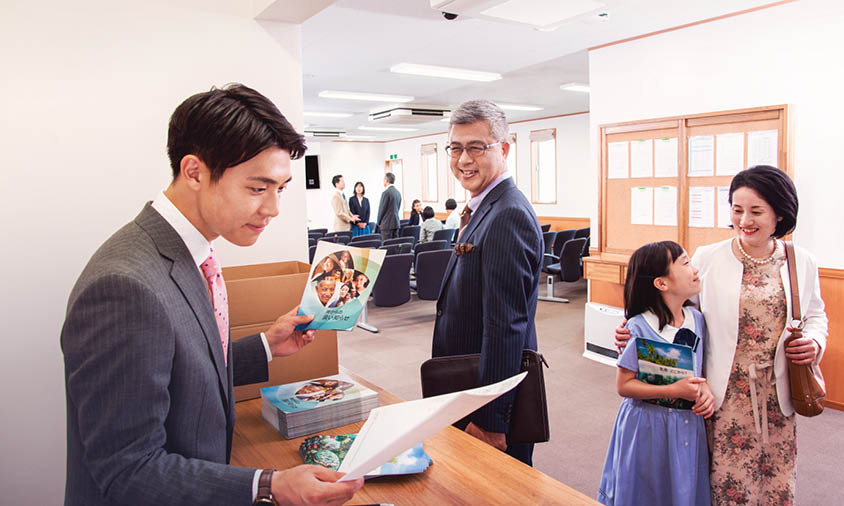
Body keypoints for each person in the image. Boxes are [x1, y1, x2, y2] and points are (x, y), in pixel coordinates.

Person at [60, 84, 363, 506]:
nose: (273, 209)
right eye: (258, 189)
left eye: (281, 189)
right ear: (195, 171)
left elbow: (180, 371)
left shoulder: (188, 251)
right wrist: (268, 485)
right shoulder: (125, 287)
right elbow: (127, 469)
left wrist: (265, 347)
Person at [615, 166, 827, 504]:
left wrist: (814, 341)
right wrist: (635, 332)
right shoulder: (710, 257)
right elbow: (676, 315)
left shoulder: (800, 260)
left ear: (780, 213)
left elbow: (816, 314)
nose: (744, 220)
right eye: (737, 209)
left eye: (756, 211)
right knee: (727, 483)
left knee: (775, 479)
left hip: (778, 391)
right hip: (725, 392)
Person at [431, 99, 543, 466]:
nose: (464, 159)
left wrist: (490, 419)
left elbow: (505, 325)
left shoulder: (508, 214)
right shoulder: (485, 207)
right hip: (468, 383)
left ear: (504, 149)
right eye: (456, 148)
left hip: (491, 400)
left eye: (476, 147)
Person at [597, 241, 713, 506]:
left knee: (681, 487)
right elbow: (624, 386)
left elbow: (700, 370)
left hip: (686, 425)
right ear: (662, 283)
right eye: (685, 263)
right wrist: (672, 391)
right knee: (646, 488)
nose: (694, 270)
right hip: (647, 425)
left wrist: (704, 389)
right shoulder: (638, 327)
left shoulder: (698, 320)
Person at [377, 172, 401, 240]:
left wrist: (378, 221)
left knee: (386, 246)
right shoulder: (398, 192)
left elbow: (382, 209)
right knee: (395, 245)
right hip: (396, 223)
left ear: (386, 180)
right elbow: (397, 208)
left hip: (386, 224)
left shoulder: (386, 193)